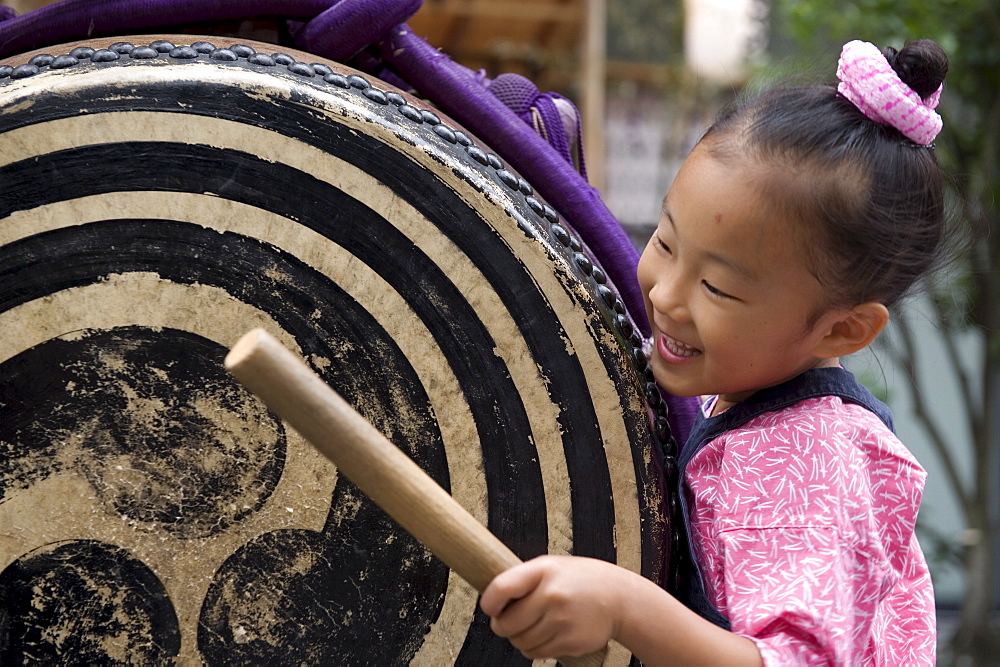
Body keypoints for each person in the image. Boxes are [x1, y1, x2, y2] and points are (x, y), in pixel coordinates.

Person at [480, 38, 949, 665]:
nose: (667, 296)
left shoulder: (810, 463)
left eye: (717, 287)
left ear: (843, 331)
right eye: (666, 242)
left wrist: (622, 607)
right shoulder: (736, 389)